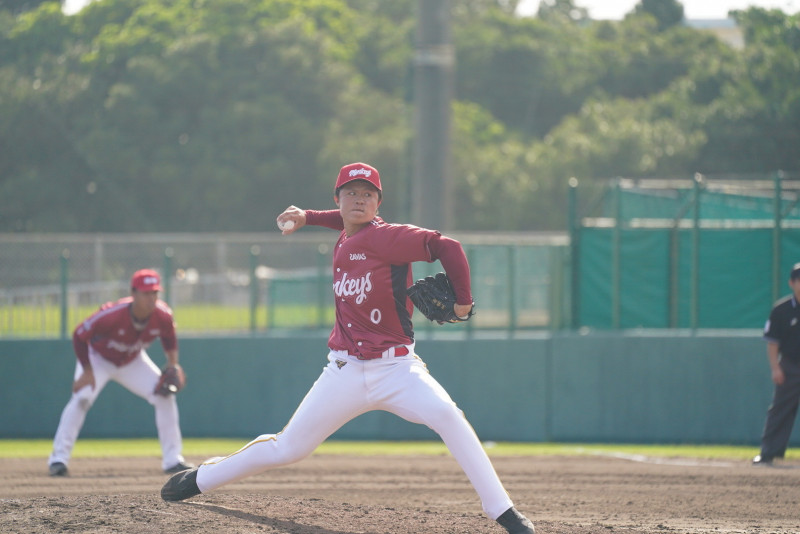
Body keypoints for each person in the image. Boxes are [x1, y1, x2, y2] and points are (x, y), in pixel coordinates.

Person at [161, 162, 535, 533]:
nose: (360, 199)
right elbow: (343, 220)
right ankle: (201, 479)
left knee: (449, 417)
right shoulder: (346, 231)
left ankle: (504, 512)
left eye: (368, 194)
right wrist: (307, 217)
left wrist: (464, 302)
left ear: (378, 203)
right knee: (288, 449)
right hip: (344, 371)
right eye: (351, 192)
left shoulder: (386, 237)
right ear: (338, 199)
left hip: (398, 370)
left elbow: (446, 245)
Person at [48, 269, 193, 476]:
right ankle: (58, 460)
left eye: (155, 293)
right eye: (146, 293)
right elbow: (79, 334)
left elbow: (169, 337)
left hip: (132, 361)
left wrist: (173, 365)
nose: (151, 298)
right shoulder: (112, 314)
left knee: (165, 396)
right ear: (133, 293)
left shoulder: (163, 315)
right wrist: (87, 371)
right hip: (98, 359)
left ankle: (172, 461)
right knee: (82, 398)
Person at [753, 262, 800, 466]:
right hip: (790, 366)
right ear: (791, 283)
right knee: (780, 410)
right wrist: (775, 367)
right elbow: (772, 342)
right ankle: (768, 453)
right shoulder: (781, 310)